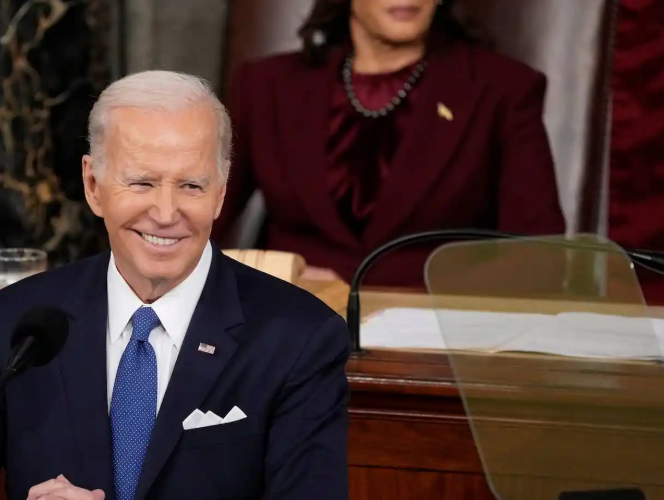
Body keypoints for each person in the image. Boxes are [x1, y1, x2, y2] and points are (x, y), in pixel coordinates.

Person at [0, 71, 351, 500]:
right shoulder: (18, 322)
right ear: (93, 186)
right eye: (141, 183)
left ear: (221, 193)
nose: (164, 212)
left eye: (192, 185)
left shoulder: (298, 335)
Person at [213, 0, 567, 286]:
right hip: (289, 323)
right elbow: (195, 223)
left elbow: (537, 255)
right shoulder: (266, 86)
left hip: (433, 337)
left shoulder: (503, 90)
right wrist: (274, 275)